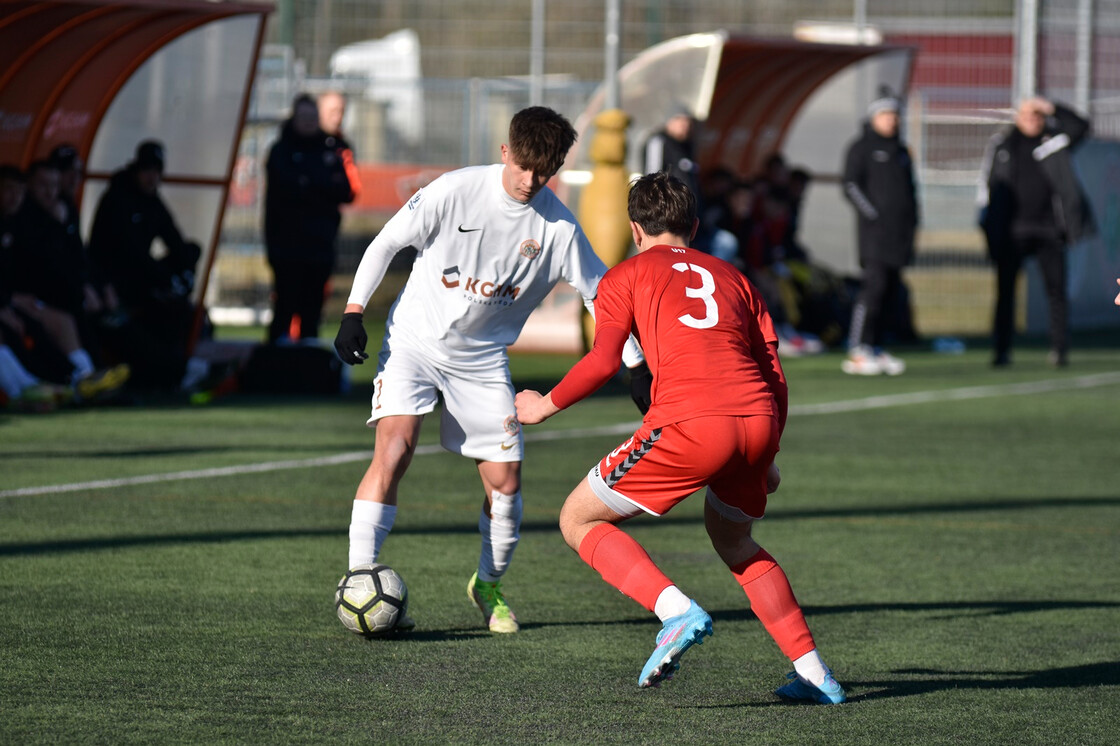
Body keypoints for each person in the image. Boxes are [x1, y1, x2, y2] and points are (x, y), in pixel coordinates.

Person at [514, 172, 845, 703]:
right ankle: (815, 674)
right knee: (735, 541)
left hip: (692, 422)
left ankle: (675, 611)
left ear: (634, 228)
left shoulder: (624, 275)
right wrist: (768, 454)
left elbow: (604, 360)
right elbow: (773, 374)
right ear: (693, 226)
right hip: (757, 421)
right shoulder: (735, 278)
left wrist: (543, 405)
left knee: (576, 519)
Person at [332, 106, 648, 634]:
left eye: (542, 172)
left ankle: (487, 585)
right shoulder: (453, 191)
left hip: (481, 363)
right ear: (505, 152)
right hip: (415, 341)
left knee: (506, 485)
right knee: (395, 447)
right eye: (523, 166)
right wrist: (353, 311)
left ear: (557, 169)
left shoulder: (559, 229)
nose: (530, 181)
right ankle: (360, 577)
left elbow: (604, 300)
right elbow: (386, 241)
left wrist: (636, 367)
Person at [979, 96, 1093, 367]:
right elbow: (987, 188)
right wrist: (988, 226)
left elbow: (1081, 127)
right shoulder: (1003, 145)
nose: (1032, 120)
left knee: (1056, 292)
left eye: (1037, 115)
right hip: (1012, 232)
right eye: (1027, 115)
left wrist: (1050, 105)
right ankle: (1001, 350)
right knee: (1005, 294)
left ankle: (1059, 349)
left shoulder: (1053, 141)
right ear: (1017, 117)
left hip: (1048, 230)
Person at [88, 140, 203, 390]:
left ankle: (177, 370)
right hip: (113, 284)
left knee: (180, 304)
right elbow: (132, 254)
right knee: (146, 324)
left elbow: (175, 240)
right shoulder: (117, 198)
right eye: (148, 170)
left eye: (157, 171)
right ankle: (175, 372)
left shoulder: (152, 201)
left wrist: (184, 273)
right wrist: (164, 280)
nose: (153, 177)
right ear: (137, 169)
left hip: (141, 279)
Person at [264, 94, 355, 344]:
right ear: (294, 119)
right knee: (284, 307)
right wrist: (318, 186)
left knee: (312, 313)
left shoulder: (332, 150)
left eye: (313, 117)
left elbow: (345, 190)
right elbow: (290, 190)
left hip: (320, 247)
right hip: (286, 248)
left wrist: (311, 185)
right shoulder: (280, 151)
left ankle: (307, 368)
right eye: (304, 117)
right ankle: (274, 363)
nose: (309, 122)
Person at [840, 89, 918, 376]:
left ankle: (876, 346)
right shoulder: (861, 147)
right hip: (874, 237)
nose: (892, 121)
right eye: (886, 115)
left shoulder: (901, 151)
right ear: (874, 117)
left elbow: (910, 193)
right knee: (872, 289)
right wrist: (874, 215)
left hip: (900, 236)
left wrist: (911, 226)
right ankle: (857, 348)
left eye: (895, 115)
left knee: (890, 292)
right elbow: (850, 185)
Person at [643, 106, 701, 200]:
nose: (685, 125)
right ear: (669, 122)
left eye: (687, 121)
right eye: (679, 120)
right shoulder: (659, 142)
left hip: (688, 207)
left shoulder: (687, 145)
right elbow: (652, 178)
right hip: (668, 207)